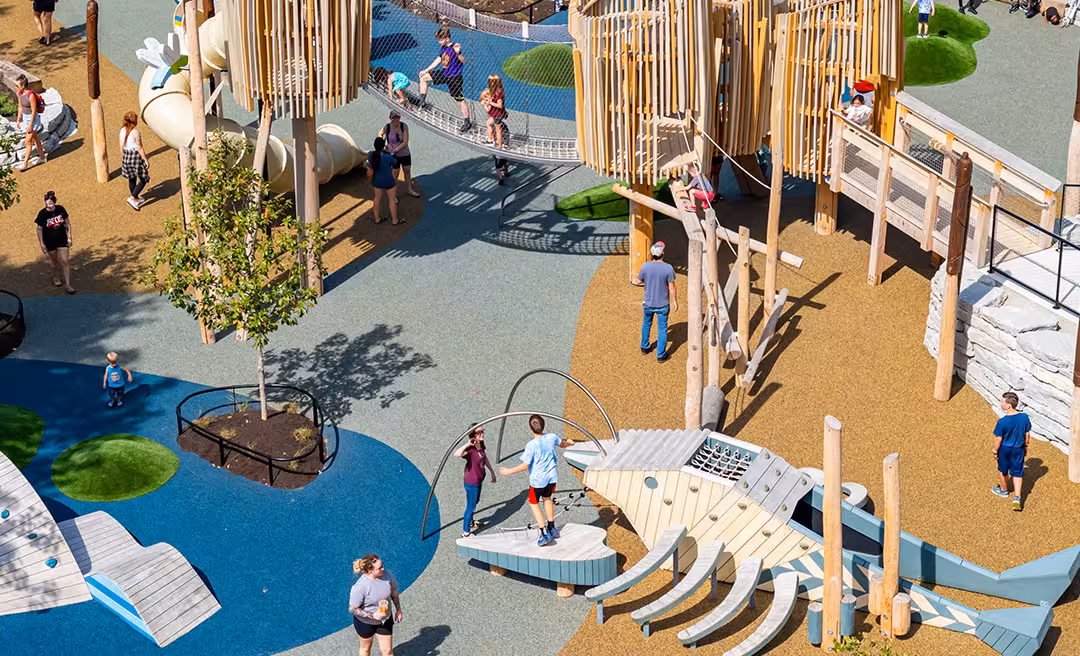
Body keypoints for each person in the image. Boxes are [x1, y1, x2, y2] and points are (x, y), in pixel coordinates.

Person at [498, 415, 575, 547]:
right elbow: (562, 444)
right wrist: (570, 443)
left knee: (534, 503)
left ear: (531, 429)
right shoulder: (551, 437)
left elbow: (525, 465)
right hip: (552, 477)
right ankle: (552, 527)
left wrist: (507, 471)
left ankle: (543, 532)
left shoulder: (531, 445)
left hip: (538, 480)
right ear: (543, 426)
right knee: (547, 499)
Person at [418, 27, 472, 133]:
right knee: (423, 77)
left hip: (454, 78)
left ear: (447, 38)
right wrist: (426, 70)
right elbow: (439, 60)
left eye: (440, 39)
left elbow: (463, 61)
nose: (439, 42)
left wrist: (458, 53)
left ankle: (467, 122)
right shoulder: (443, 48)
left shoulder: (455, 47)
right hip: (444, 74)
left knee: (460, 100)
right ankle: (422, 102)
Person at [632, 241, 678, 362]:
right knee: (662, 328)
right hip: (662, 304)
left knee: (646, 324)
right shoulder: (668, 268)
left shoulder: (645, 266)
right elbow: (671, 287)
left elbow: (638, 281)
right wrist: (674, 302)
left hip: (648, 303)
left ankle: (645, 347)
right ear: (662, 253)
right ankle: (660, 355)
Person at [349, 554, 403, 656]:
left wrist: (398, 610)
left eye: (382, 565)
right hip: (365, 623)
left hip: (384, 619)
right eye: (379, 568)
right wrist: (373, 616)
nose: (383, 569)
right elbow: (352, 609)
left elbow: (394, 592)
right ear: (370, 571)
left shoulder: (387, 576)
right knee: (365, 649)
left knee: (387, 651)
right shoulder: (360, 587)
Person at [454, 424, 497, 538]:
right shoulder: (471, 449)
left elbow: (484, 457)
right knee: (471, 506)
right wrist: (468, 443)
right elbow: (457, 454)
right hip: (471, 483)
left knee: (475, 502)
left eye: (482, 431)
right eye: (479, 432)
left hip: (479, 480)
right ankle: (466, 532)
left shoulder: (481, 444)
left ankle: (471, 522)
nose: (482, 434)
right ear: (473, 435)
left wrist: (492, 471)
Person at [991, 392, 1032, 512]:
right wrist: (1025, 446)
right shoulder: (1024, 417)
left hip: (1004, 450)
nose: (1001, 403)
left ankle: (1004, 491)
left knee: (1003, 470)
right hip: (1018, 449)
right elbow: (1027, 434)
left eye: (1002, 401)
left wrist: (994, 450)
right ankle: (1017, 498)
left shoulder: (1002, 422)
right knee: (1018, 473)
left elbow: (998, 439)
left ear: (1008, 405)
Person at [35, 191, 75, 294]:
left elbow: (67, 224)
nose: (48, 205)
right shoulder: (42, 214)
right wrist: (42, 243)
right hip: (49, 241)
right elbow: (39, 229)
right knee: (54, 262)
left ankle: (68, 285)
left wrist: (69, 237)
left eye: (50, 203)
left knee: (65, 261)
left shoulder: (61, 209)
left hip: (62, 239)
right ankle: (55, 276)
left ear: (54, 202)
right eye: (46, 203)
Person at [379, 111, 420, 198]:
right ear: (390, 118)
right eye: (394, 117)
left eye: (397, 117)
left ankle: (409, 189)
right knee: (395, 174)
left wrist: (395, 150)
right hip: (394, 156)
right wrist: (385, 145)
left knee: (407, 172)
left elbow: (405, 142)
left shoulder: (403, 126)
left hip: (404, 154)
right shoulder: (387, 127)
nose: (396, 119)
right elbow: (380, 134)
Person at [119, 111, 151, 211]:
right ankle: (133, 197)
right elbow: (140, 148)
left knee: (131, 178)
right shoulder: (136, 132)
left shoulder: (122, 130)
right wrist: (145, 160)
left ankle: (136, 198)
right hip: (135, 156)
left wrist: (124, 157)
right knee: (144, 178)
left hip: (126, 155)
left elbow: (121, 146)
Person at [15, 74, 47, 171]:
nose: (15, 87)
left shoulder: (31, 95)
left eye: (17, 85)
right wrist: (18, 119)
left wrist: (30, 125)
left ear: (23, 85)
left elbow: (33, 111)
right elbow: (20, 107)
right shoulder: (20, 94)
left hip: (33, 120)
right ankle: (42, 157)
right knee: (35, 139)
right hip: (26, 118)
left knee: (28, 141)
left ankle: (25, 164)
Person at [367, 137, 401, 226]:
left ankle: (377, 218)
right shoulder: (388, 157)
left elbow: (370, 171)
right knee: (392, 200)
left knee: (377, 199)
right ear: (384, 146)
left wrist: (370, 180)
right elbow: (395, 165)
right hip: (389, 181)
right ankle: (395, 220)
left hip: (377, 181)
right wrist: (390, 151)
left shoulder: (370, 155)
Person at [484, 74, 508, 150]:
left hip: (497, 114)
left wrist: (490, 103)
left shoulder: (498, 93)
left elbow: (500, 105)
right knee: (489, 123)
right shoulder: (496, 91)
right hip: (495, 113)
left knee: (498, 129)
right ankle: (492, 139)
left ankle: (499, 146)